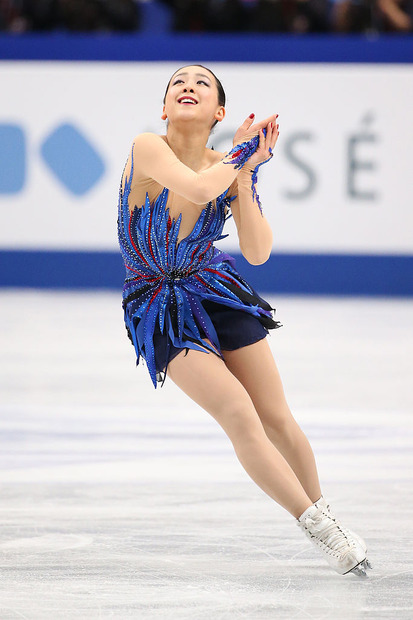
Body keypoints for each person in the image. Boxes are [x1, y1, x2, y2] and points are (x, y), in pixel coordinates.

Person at [117, 64, 372, 577]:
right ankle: (320, 532)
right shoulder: (148, 147)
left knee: (277, 417)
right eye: (178, 83)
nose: (188, 86)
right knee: (238, 411)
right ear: (165, 107)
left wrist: (249, 173)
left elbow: (257, 251)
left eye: (201, 83)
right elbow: (199, 187)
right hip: (159, 305)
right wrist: (242, 155)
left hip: (214, 288)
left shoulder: (225, 165)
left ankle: (327, 515)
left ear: (219, 112)